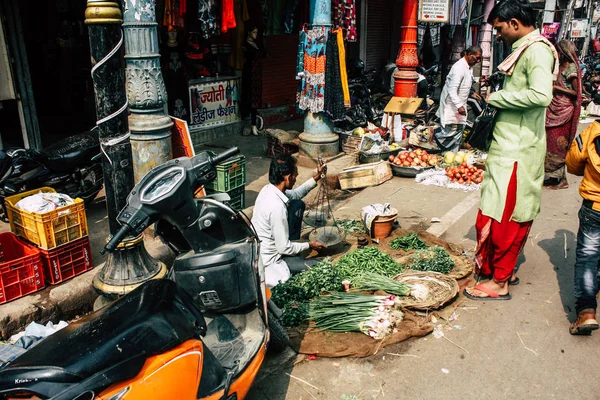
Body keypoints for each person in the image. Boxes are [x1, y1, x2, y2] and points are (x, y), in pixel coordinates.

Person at [464, 0, 557, 300]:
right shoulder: (526, 50)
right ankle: (503, 271)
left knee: (503, 219)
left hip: (517, 151)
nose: (499, 35)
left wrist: (498, 99)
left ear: (515, 23)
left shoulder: (538, 50)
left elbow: (541, 95)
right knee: (501, 213)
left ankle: (499, 281)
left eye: (501, 29)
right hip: (509, 147)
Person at [252, 155, 327, 288]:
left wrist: (317, 177)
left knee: (297, 204)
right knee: (320, 266)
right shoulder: (276, 207)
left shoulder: (269, 190)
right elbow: (283, 247)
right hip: (271, 261)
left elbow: (296, 194)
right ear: (287, 177)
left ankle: (294, 250)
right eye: (295, 175)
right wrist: (309, 245)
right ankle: (292, 259)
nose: (296, 178)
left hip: (267, 248)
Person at [565, 122, 600, 335]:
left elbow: (572, 162)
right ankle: (592, 290)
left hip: (594, 205)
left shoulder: (594, 131)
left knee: (588, 256)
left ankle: (586, 313)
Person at [544, 39, 582, 189]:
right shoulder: (560, 66)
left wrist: (557, 88)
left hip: (564, 111)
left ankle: (561, 180)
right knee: (550, 143)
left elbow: (575, 92)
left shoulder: (571, 68)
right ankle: (553, 176)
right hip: (554, 109)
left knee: (560, 145)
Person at [434, 46, 482, 154]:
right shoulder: (459, 68)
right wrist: (459, 106)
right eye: (477, 58)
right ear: (469, 54)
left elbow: (468, 79)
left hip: (460, 103)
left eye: (480, 59)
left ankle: (452, 155)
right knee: (450, 130)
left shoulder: (469, 66)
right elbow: (452, 90)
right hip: (451, 104)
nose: (478, 61)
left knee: (459, 129)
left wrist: (479, 80)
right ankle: (435, 137)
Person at [241, 26, 263, 136]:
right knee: (250, 98)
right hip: (249, 74)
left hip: (257, 75)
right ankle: (252, 124)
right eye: (254, 32)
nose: (256, 34)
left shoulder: (257, 44)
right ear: (249, 32)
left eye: (257, 32)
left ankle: (254, 124)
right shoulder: (245, 45)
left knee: (256, 99)